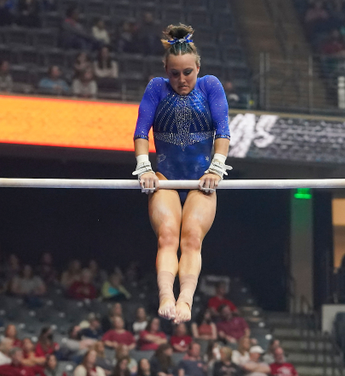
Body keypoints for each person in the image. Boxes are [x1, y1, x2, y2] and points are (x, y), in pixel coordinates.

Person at [133, 23, 231, 324]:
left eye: (188, 72)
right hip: (166, 178)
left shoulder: (210, 85)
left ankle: (185, 300)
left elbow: (223, 131)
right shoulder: (156, 88)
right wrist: (144, 166)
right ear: (166, 69)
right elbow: (140, 132)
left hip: (202, 178)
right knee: (167, 236)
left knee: (191, 239)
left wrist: (216, 167)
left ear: (198, 67)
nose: (181, 79)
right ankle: (166, 295)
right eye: (174, 73)